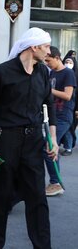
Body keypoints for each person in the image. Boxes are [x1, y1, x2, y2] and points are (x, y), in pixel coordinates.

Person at [0, 27, 58, 249]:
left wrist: (51, 137)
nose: (49, 51)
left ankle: (42, 246)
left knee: (37, 198)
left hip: (33, 141)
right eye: (45, 47)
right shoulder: (2, 72)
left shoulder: (43, 72)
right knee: (1, 198)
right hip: (5, 140)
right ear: (33, 47)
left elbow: (49, 105)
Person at [43, 46, 75, 196]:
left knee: (48, 147)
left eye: (48, 60)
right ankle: (55, 182)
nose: (47, 63)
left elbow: (68, 95)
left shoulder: (68, 73)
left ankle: (55, 182)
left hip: (63, 116)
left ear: (57, 57)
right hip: (52, 116)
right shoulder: (52, 73)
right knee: (50, 147)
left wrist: (47, 90)